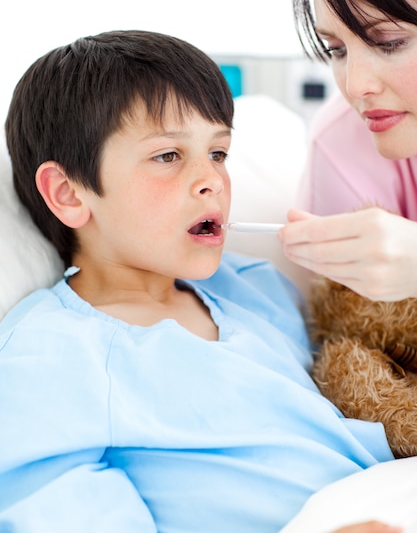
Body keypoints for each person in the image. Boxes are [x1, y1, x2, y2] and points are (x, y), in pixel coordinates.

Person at [0, 29, 396, 532]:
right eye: (168, 155)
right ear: (69, 194)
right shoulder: (48, 356)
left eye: (218, 153)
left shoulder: (255, 287)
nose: (212, 179)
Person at [281, 0, 417, 303]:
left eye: (389, 42)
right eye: (336, 50)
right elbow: (347, 332)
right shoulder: (342, 141)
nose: (355, 87)